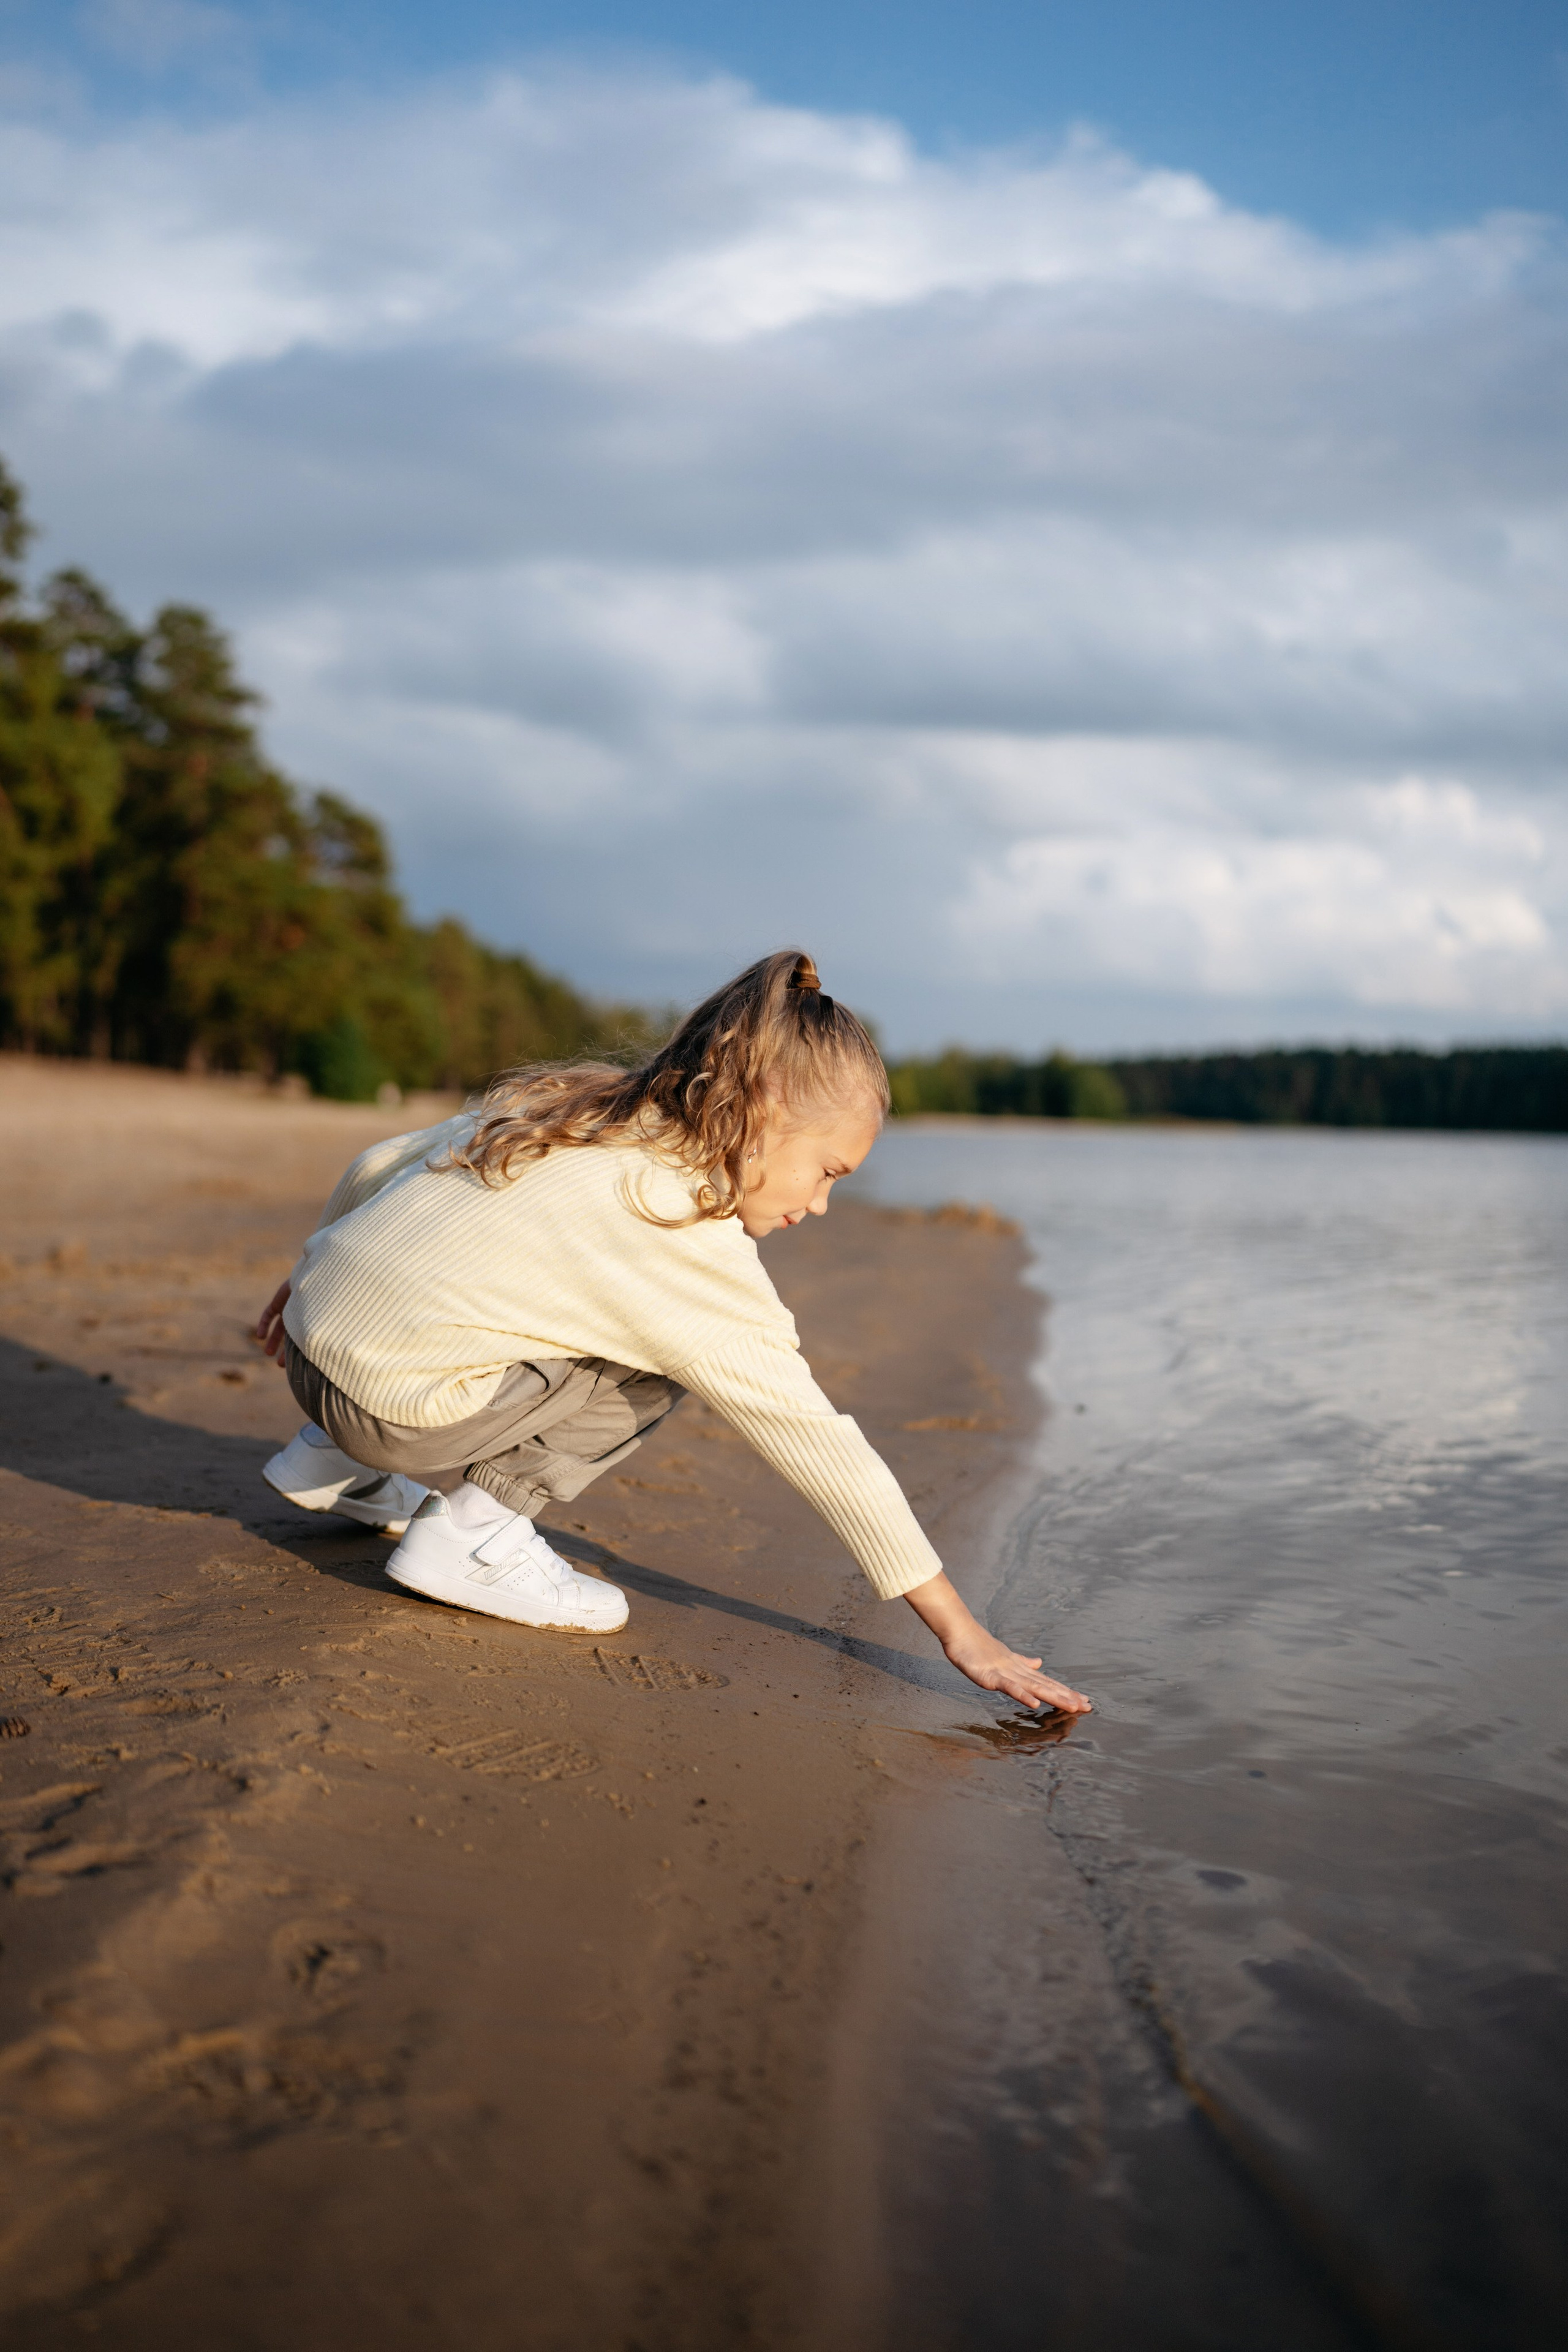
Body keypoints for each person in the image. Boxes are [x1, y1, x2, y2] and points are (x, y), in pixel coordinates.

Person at [255, 950, 1090, 1716]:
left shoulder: (585, 1101)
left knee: (526, 1303)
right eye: (828, 1171)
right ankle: (471, 1539)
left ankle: (335, 1462)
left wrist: (308, 1277)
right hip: (392, 1407)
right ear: (762, 1111)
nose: (822, 1205)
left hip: (315, 1348)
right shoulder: (682, 1228)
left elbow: (384, 1160)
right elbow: (819, 1443)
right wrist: (960, 1632)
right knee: (652, 1369)